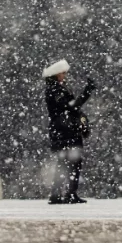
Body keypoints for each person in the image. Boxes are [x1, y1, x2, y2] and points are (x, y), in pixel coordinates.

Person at [43, 60, 95, 205]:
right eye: (62, 73)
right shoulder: (55, 90)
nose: (64, 76)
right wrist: (86, 92)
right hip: (65, 131)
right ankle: (68, 193)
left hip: (63, 130)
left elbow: (71, 108)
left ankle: (59, 193)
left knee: (65, 163)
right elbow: (71, 107)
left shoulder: (57, 89)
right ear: (55, 74)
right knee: (72, 163)